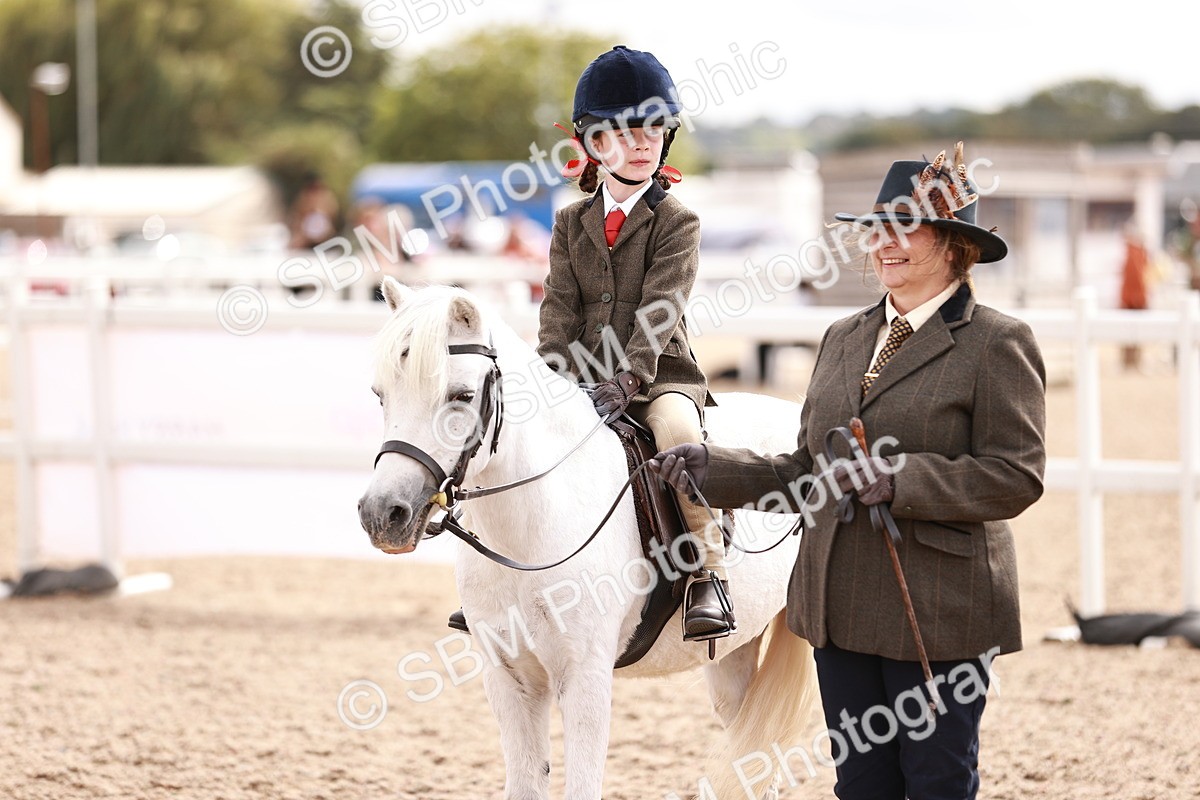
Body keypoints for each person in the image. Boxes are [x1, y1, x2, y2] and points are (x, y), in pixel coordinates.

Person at [650, 144, 1047, 800]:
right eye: (877, 230)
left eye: (906, 229)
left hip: (940, 609)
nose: (884, 244)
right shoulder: (842, 338)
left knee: (937, 781)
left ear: (954, 244)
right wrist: (711, 469)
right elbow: (807, 471)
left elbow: (1016, 475)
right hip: (839, 603)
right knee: (861, 784)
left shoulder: (997, 343)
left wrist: (902, 479)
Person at [448, 46, 736, 642]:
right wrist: (550, 376)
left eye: (654, 130)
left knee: (679, 439)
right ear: (594, 143)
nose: (644, 143)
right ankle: (493, 585)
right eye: (628, 132)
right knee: (506, 434)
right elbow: (558, 304)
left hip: (657, 376)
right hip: (578, 377)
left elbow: (661, 310)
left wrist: (629, 379)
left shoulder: (677, 221)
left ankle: (709, 572)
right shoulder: (569, 221)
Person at [1118, 222, 1151, 370]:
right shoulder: (1136, 251)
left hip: (1132, 296)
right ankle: (1131, 361)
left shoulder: (1135, 251)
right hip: (1133, 296)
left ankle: (1132, 361)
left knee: (1132, 330)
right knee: (1131, 330)